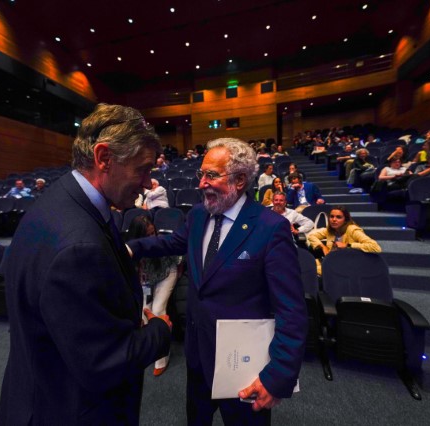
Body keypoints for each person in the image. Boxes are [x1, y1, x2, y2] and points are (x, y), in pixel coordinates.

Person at [0, 103, 172, 426]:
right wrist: (160, 331)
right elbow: (103, 362)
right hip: (69, 410)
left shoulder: (58, 201)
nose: (149, 184)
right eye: (143, 169)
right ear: (104, 158)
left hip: (40, 391)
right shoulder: (78, 246)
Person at [128, 138, 307, 425]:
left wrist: (279, 376)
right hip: (198, 356)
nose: (201, 184)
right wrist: (131, 248)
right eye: (202, 175)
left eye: (211, 175)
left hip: (243, 366)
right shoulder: (198, 214)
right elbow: (174, 242)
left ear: (239, 180)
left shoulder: (271, 228)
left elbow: (292, 310)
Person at [126, 215, 182, 376]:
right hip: (147, 282)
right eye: (148, 235)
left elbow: (178, 259)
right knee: (144, 312)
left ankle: (162, 356)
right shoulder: (132, 249)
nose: (153, 238)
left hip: (166, 274)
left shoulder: (161, 241)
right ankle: (150, 350)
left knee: (158, 310)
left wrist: (177, 275)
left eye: (153, 233)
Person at [305, 206, 382, 275]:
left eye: (338, 217)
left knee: (310, 269)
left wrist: (348, 245)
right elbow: (312, 236)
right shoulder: (331, 229)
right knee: (305, 263)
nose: (334, 219)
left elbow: (375, 247)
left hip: (347, 264)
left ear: (345, 220)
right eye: (332, 216)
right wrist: (322, 246)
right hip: (332, 260)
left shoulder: (353, 230)